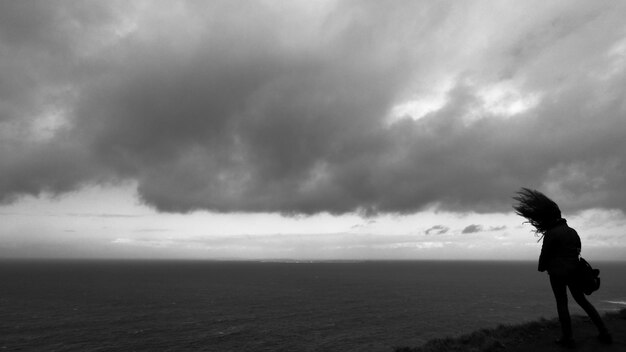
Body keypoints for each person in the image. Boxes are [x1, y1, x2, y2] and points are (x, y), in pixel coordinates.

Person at [512, 188, 612, 348]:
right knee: (582, 301)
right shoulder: (572, 231)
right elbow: (577, 250)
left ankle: (568, 338)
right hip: (574, 272)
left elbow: (545, 254)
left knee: (562, 303)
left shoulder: (552, 233)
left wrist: (542, 267)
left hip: (557, 273)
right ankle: (604, 332)